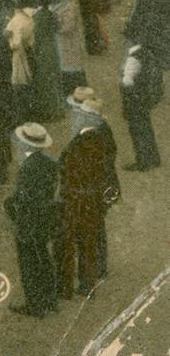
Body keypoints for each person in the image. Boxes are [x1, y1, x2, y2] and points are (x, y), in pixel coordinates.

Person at [60, 88, 120, 299]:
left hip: (92, 192)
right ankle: (99, 266)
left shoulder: (92, 133)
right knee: (96, 228)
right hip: (101, 190)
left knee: (90, 232)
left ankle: (93, 272)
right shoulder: (100, 128)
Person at [5, 123, 60, 318]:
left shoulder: (27, 168)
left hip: (29, 222)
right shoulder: (49, 162)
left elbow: (25, 199)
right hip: (45, 219)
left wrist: (11, 207)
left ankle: (35, 305)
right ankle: (50, 299)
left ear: (26, 145)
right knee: (44, 259)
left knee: (29, 265)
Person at [121, 42, 163, 171]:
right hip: (145, 98)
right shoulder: (147, 53)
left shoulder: (133, 58)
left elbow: (127, 81)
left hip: (134, 99)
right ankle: (154, 158)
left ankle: (143, 160)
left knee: (137, 130)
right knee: (146, 127)